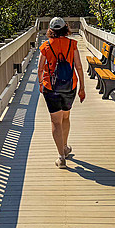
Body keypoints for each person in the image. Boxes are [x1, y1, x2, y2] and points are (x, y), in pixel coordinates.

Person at [37, 17, 86, 168]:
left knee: (55, 121)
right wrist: (82, 88)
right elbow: (78, 67)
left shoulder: (46, 46)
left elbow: (40, 68)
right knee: (65, 117)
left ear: (51, 30)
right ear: (66, 28)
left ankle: (61, 157)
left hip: (51, 87)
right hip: (70, 86)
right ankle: (64, 147)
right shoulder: (72, 44)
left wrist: (41, 83)